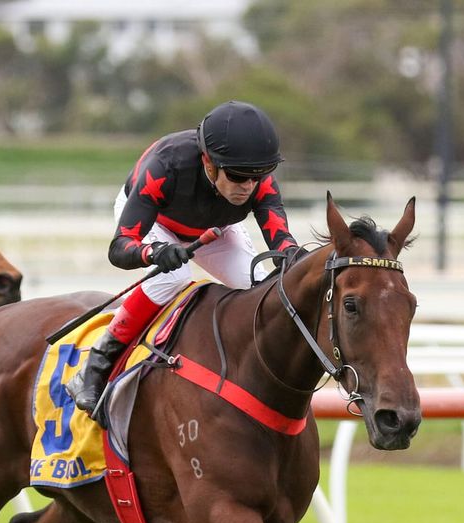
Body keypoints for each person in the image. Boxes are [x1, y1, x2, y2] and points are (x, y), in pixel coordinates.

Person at [65, 100, 303, 417]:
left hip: (214, 228)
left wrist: (294, 257)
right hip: (157, 223)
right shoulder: (164, 165)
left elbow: (280, 239)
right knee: (173, 278)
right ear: (208, 163)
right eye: (236, 176)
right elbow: (120, 246)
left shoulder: (255, 177)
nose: (247, 186)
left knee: (255, 285)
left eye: (256, 177)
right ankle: (96, 365)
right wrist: (153, 252)